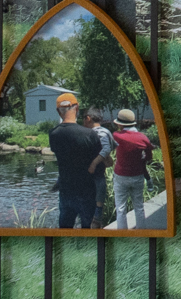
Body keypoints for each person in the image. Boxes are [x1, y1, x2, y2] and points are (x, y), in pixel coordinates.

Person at [46, 94, 107, 231]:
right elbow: (100, 166)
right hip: (87, 191)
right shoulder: (89, 134)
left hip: (66, 191)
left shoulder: (53, 134)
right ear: (77, 108)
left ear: (58, 111)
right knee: (88, 232)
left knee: (65, 230)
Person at [108, 110, 154, 225]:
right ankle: (141, 234)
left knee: (120, 209)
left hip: (120, 175)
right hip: (137, 175)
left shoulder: (116, 136)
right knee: (139, 207)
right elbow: (149, 157)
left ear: (120, 124)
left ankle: (122, 235)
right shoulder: (143, 138)